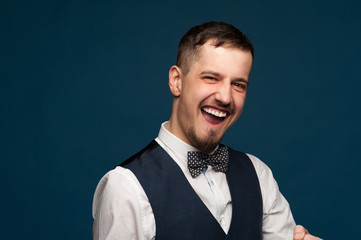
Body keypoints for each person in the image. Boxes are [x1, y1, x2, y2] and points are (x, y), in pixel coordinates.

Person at [92, 21, 321, 240]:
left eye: (238, 84)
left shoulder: (259, 175)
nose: (225, 96)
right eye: (211, 78)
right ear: (176, 81)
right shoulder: (126, 187)